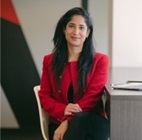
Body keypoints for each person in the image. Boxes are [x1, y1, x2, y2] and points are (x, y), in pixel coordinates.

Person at [38, 7, 110, 140]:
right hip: (59, 121)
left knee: (80, 120)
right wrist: (62, 111)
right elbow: (44, 95)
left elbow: (92, 96)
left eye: (82, 27)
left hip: (92, 121)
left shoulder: (100, 60)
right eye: (71, 26)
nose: (76, 32)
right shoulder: (49, 60)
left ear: (88, 32)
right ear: (64, 29)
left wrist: (68, 120)